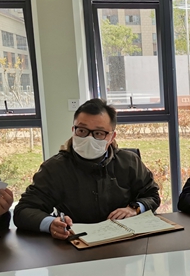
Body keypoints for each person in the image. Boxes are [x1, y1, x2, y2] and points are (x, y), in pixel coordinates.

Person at [14, 99, 160, 239]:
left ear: (111, 137)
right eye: (82, 130)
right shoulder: (54, 168)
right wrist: (51, 223)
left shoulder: (129, 162)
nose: (89, 138)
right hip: (75, 244)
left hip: (124, 242)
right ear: (73, 130)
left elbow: (152, 195)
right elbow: (23, 211)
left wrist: (134, 208)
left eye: (99, 133)